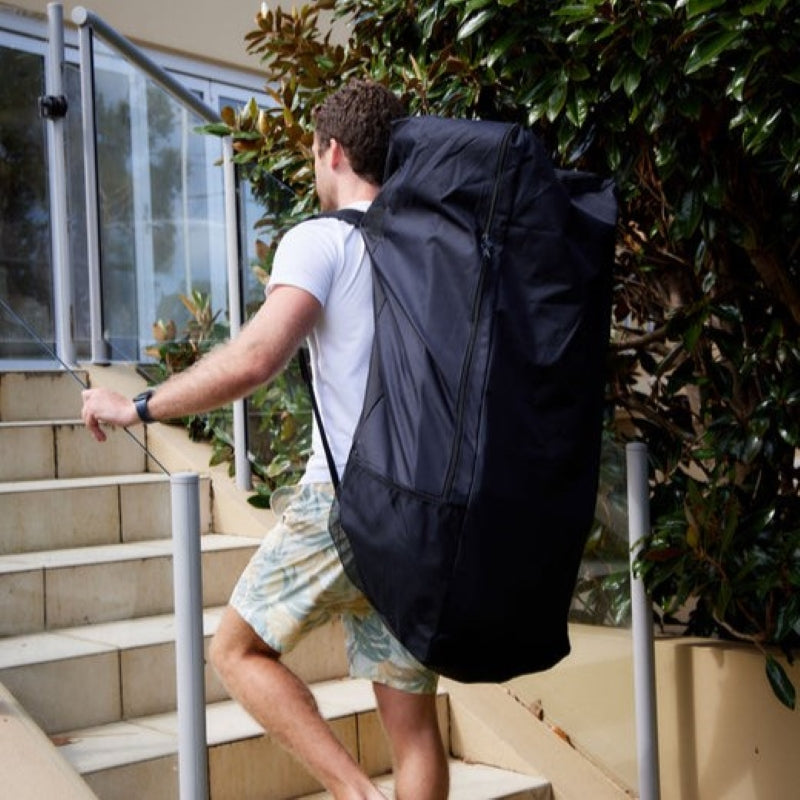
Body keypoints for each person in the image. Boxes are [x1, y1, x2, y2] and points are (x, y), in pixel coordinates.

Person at [81, 79, 449, 800]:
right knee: (414, 728)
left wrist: (139, 406)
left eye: (315, 154)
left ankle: (354, 793)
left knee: (235, 650)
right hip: (420, 515)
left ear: (333, 150)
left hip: (343, 504)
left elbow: (255, 359)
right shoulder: (427, 250)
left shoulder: (319, 239)